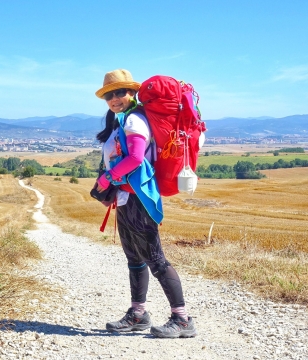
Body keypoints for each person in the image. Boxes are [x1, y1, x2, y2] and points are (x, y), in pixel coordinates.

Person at [94, 69, 197, 338]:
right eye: (109, 95)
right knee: (134, 259)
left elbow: (136, 158)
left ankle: (183, 319)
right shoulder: (122, 121)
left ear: (132, 94)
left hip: (139, 198)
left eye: (120, 92)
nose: (115, 98)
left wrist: (108, 178)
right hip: (127, 198)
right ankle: (138, 314)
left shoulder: (134, 121)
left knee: (155, 259)